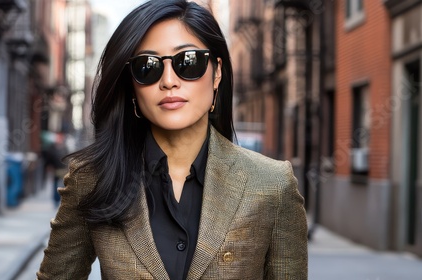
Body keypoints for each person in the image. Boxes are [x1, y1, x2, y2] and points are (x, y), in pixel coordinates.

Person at [37, 1, 308, 279]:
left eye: (187, 62)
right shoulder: (93, 179)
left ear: (216, 73)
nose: (168, 81)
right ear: (131, 85)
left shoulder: (272, 185)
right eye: (147, 66)